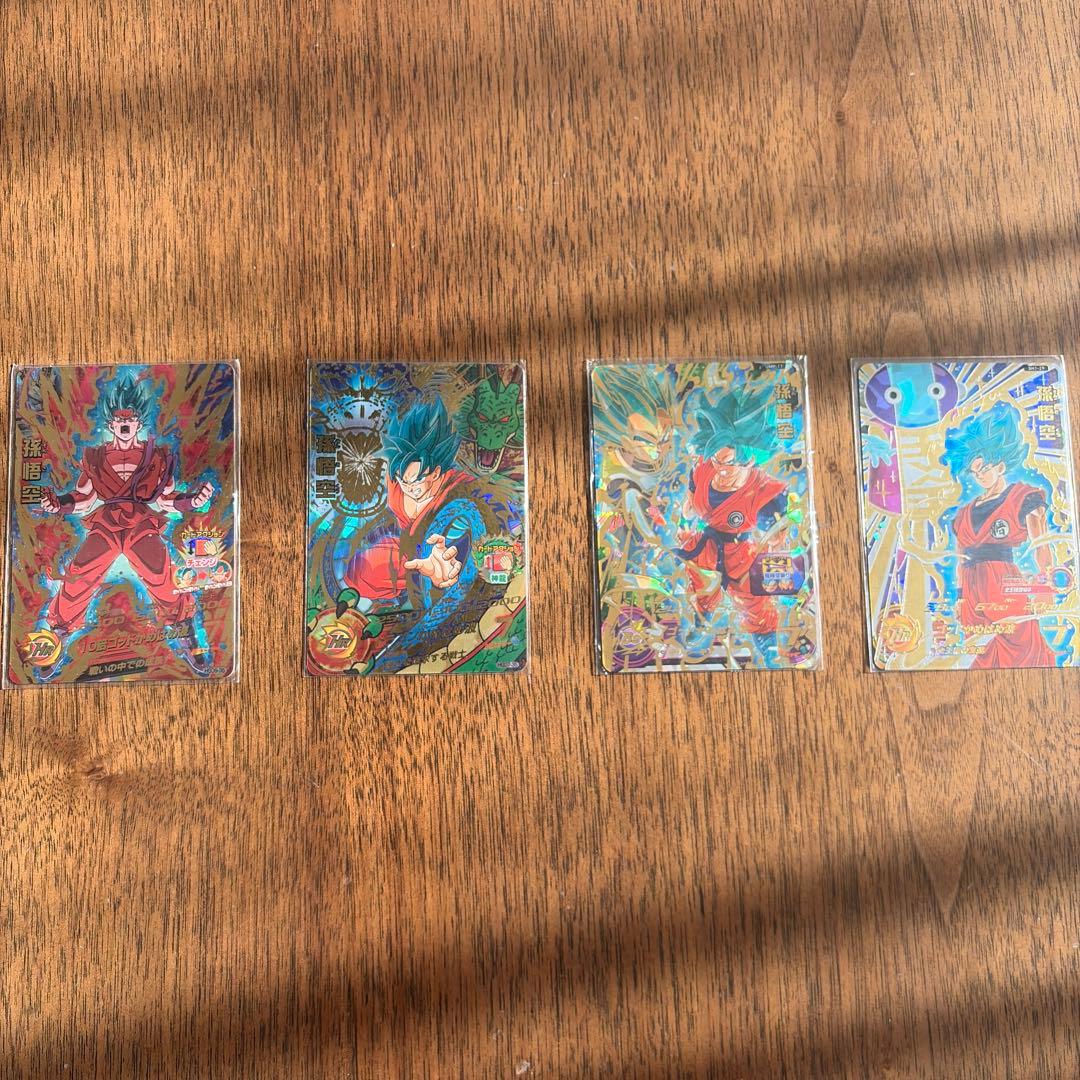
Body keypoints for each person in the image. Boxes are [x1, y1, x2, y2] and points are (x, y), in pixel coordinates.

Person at [39, 377, 213, 674]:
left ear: (138, 422)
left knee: (162, 574)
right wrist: (59, 503)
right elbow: (83, 498)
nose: (124, 423)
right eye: (119, 419)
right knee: (79, 574)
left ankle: (185, 631)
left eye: (130, 418)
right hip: (106, 524)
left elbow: (168, 498)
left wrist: (192, 501)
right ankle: (57, 635)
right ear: (110, 423)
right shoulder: (95, 457)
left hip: (141, 523)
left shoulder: (156, 456)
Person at [941, 402, 1055, 668]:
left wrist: (1045, 586)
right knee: (979, 657)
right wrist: (959, 597)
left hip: (1005, 587)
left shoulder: (1023, 498)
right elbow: (960, 559)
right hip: (972, 594)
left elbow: (1041, 545)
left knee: (1023, 650)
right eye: (974, 472)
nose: (979, 476)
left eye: (984, 469)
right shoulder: (964, 513)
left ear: (1001, 466)